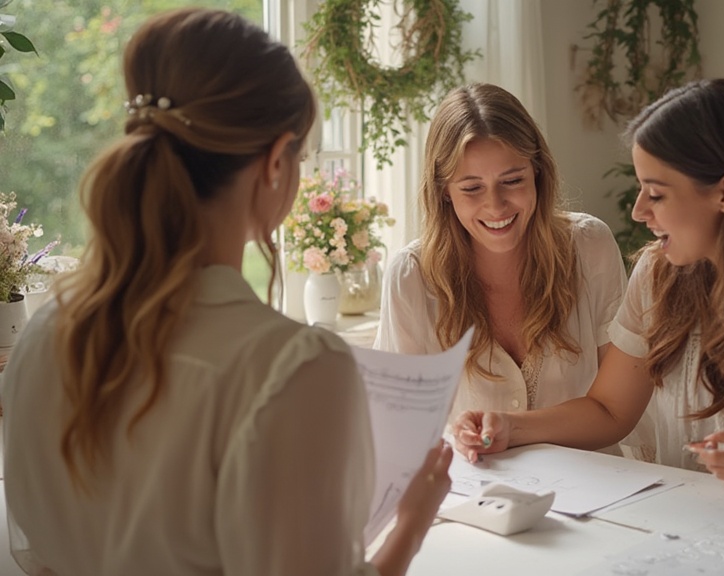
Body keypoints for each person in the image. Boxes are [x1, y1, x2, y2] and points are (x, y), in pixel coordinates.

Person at [1, 8, 450, 576]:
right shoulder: (294, 367)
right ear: (274, 161)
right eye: (302, 157)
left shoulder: (44, 336)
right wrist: (410, 525)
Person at [453, 78, 724, 490]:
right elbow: (609, 410)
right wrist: (510, 426)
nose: (637, 211)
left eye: (656, 193)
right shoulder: (656, 274)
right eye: (640, 189)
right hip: (677, 526)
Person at [374, 83, 627, 436]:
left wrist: (511, 430)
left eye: (512, 180)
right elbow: (401, 429)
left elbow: (616, 409)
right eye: (472, 188)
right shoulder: (411, 277)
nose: (495, 206)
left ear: (537, 173)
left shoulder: (589, 246)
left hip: (601, 484)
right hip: (477, 487)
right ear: (444, 191)